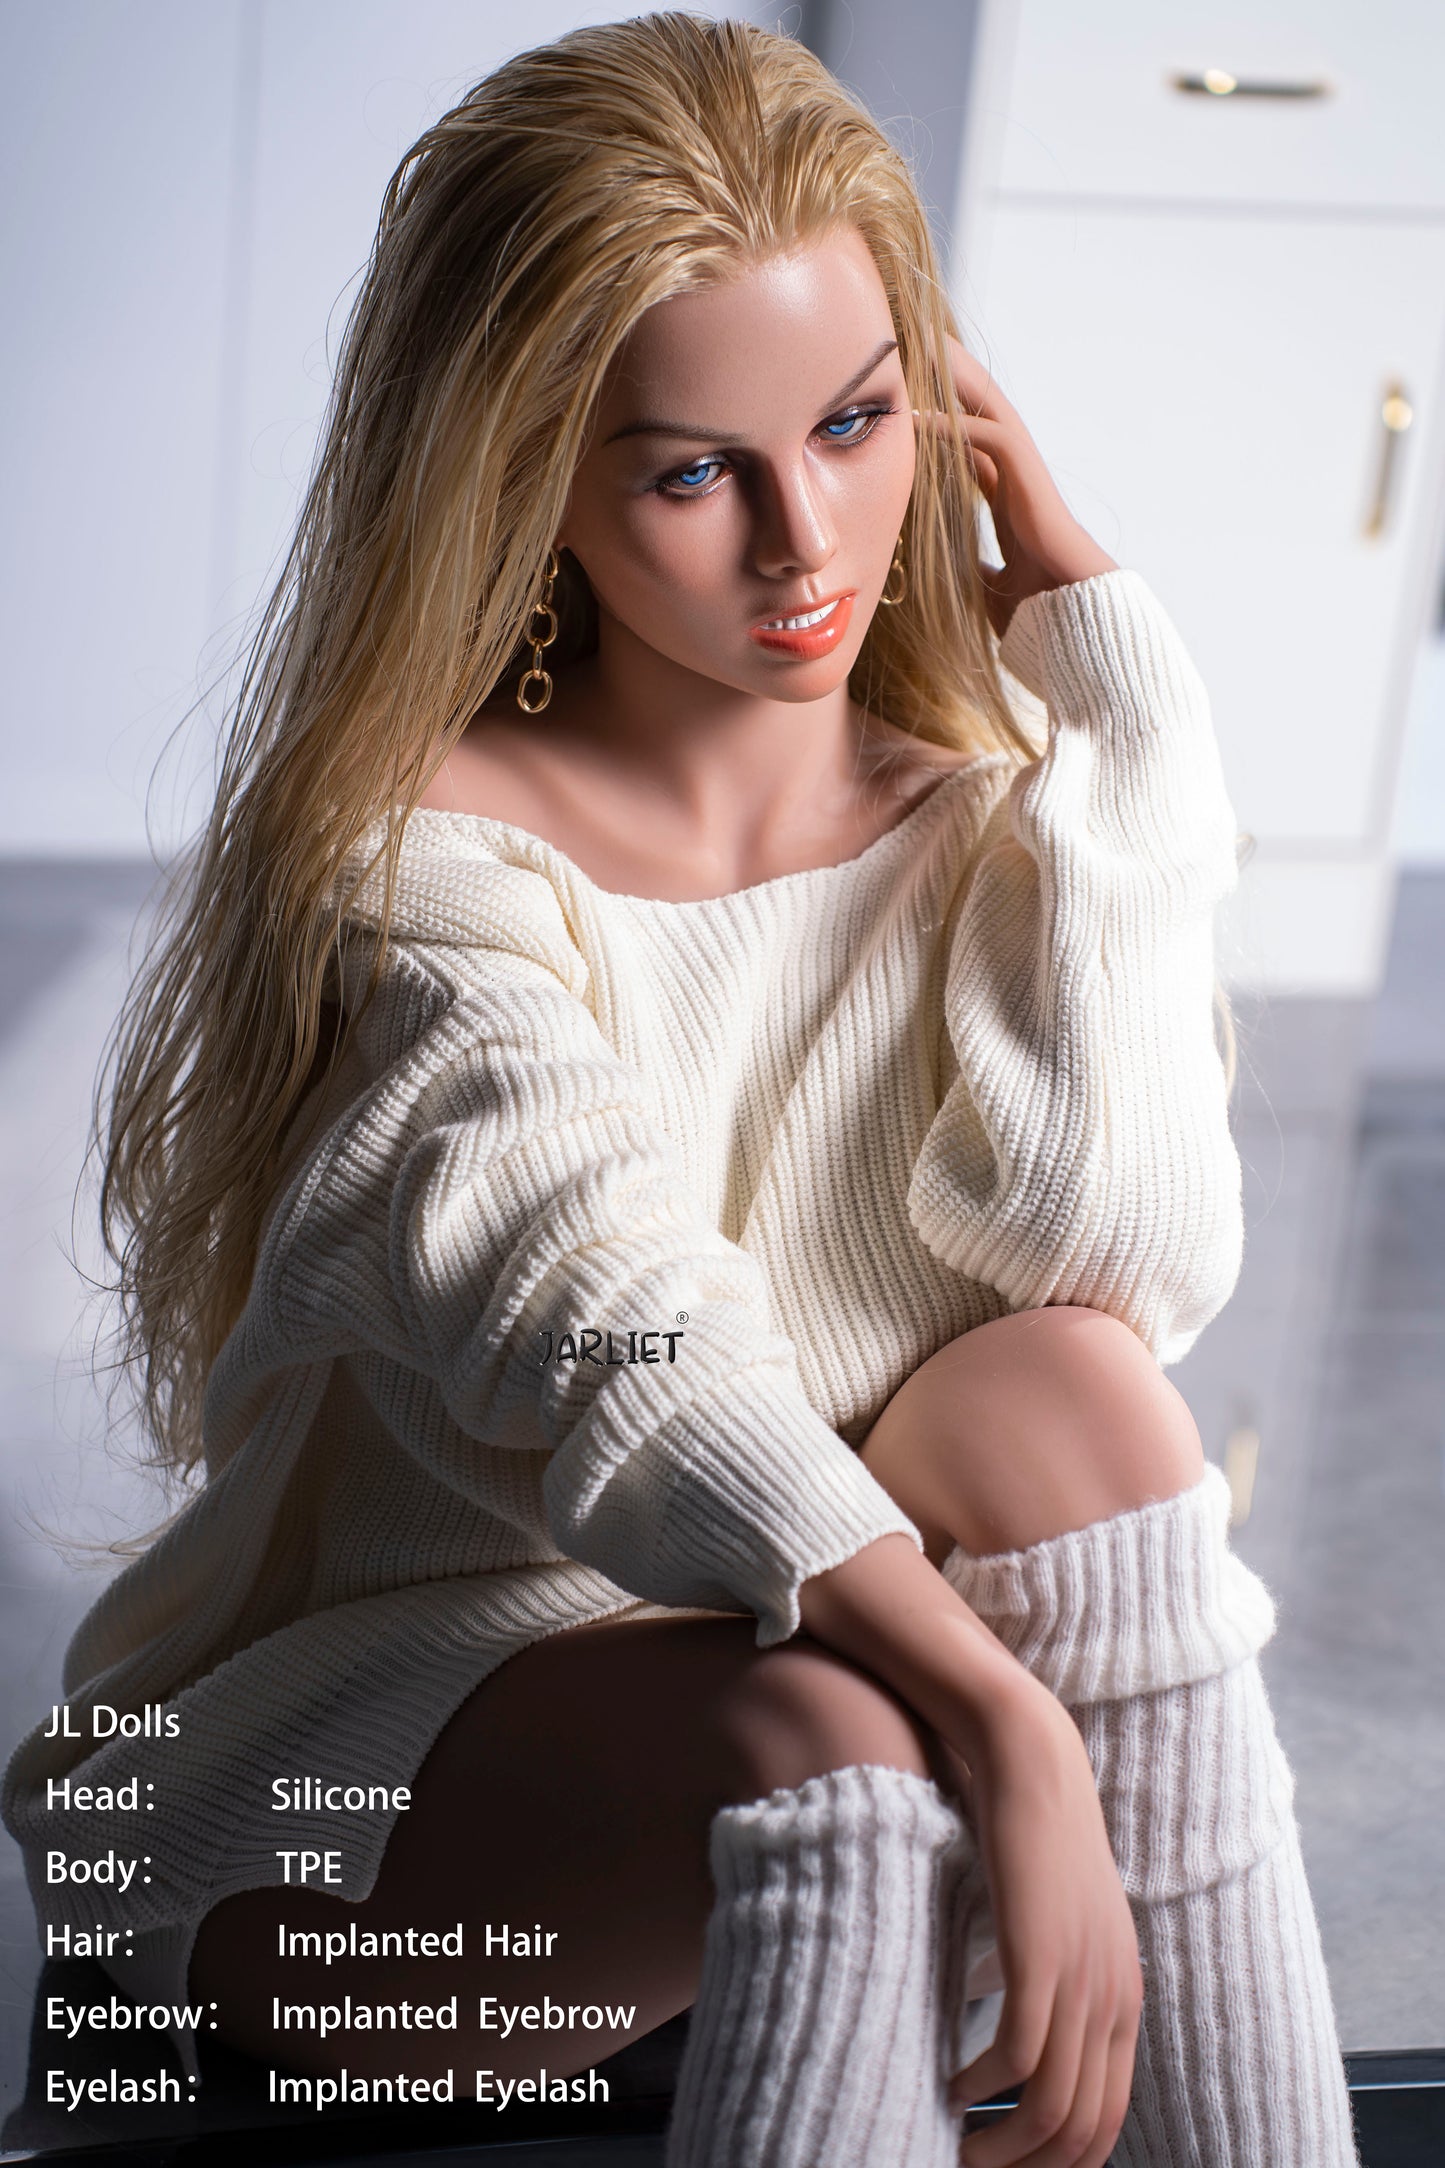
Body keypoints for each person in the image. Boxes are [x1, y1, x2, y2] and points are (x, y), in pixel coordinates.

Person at [3, 15, 1362, 2166]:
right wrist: (1007, 1718)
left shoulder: (998, 809)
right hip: (345, 1833)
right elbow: (628, 1342)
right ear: (529, 475)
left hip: (813, 1695)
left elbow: (1114, 1261)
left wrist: (1114, 690)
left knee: (1079, 1396)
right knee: (835, 1742)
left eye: (855, 421)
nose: (806, 542)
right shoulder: (416, 866)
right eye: (691, 470)